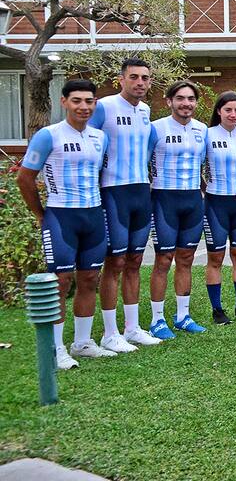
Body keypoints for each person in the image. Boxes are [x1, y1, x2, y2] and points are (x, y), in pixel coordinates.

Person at [18, 79, 111, 370]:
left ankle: (82, 343)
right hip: (60, 216)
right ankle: (55, 348)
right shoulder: (48, 135)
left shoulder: (99, 137)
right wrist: (39, 213)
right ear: (64, 102)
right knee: (60, 281)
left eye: (89, 101)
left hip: (93, 215)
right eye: (77, 101)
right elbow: (24, 178)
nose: (83, 107)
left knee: (88, 279)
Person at [91, 58, 159, 351]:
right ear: (121, 79)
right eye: (134, 77)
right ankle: (109, 332)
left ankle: (132, 327)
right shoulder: (104, 107)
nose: (140, 82)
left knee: (134, 260)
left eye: (145, 78)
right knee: (114, 262)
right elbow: (88, 144)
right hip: (113, 192)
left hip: (140, 191)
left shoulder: (145, 111)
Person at [145, 81, 209, 338]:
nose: (186, 103)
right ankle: (157, 319)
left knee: (186, 259)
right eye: (180, 98)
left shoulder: (202, 130)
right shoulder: (155, 128)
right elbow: (143, 163)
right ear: (169, 100)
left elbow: (203, 165)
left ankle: (182, 315)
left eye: (191, 99)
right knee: (163, 260)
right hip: (163, 200)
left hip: (193, 200)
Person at [203, 91, 236, 323]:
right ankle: (217, 309)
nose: (233, 114)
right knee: (215, 258)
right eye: (228, 110)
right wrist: (206, 188)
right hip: (216, 203)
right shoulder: (207, 135)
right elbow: (197, 165)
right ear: (218, 111)